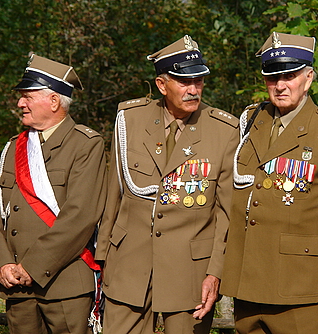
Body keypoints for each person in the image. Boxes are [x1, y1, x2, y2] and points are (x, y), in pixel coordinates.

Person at [221, 32, 318, 334]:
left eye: (290, 75)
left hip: (303, 290)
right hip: (249, 284)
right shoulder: (250, 122)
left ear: (309, 77)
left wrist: (314, 261)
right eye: (272, 77)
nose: (280, 85)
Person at [95, 35, 238, 334]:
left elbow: (226, 214)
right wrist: (103, 257)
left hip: (190, 274)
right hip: (128, 267)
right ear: (162, 85)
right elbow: (114, 195)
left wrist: (215, 273)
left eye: (199, 81)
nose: (193, 90)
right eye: (185, 82)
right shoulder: (130, 120)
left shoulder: (224, 130)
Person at [0, 54, 107, 333]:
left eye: (28, 96)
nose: (20, 103)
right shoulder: (12, 148)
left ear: (54, 101)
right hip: (17, 289)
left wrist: (31, 267)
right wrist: (3, 264)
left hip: (65, 286)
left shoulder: (85, 145)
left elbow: (80, 216)